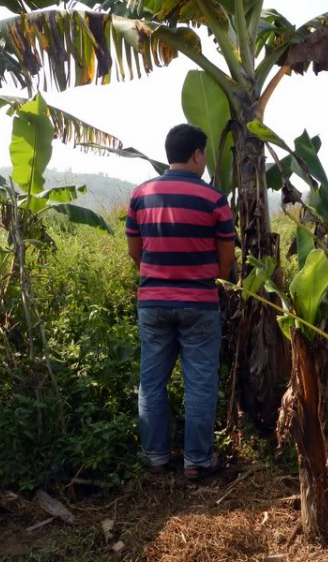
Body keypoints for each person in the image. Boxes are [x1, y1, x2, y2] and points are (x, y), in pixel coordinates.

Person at [126, 124, 235, 480]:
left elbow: (135, 252)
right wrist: (207, 280)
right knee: (200, 384)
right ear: (197, 155)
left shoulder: (140, 195)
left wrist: (159, 277)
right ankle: (197, 462)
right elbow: (226, 259)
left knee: (152, 382)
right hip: (200, 303)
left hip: (153, 303)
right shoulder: (215, 199)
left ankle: (157, 457)